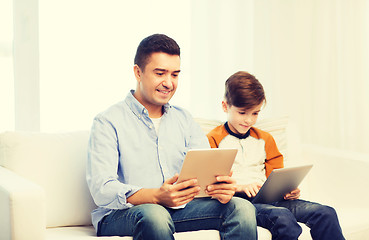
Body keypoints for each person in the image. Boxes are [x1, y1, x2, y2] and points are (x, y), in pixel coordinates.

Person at [86, 34, 257, 240]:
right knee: (155, 214)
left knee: (241, 208)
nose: (169, 83)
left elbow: (207, 174)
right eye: (160, 73)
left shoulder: (184, 119)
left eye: (175, 75)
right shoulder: (107, 121)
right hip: (122, 214)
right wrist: (156, 196)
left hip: (179, 210)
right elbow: (102, 189)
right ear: (138, 72)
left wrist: (220, 188)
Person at [207, 71, 346, 240]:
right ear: (225, 106)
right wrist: (240, 187)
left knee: (326, 213)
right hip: (241, 204)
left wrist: (287, 190)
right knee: (283, 218)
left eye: (255, 113)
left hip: (270, 200)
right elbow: (210, 186)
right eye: (243, 113)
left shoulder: (265, 139)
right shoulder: (212, 139)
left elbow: (276, 176)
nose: (249, 120)